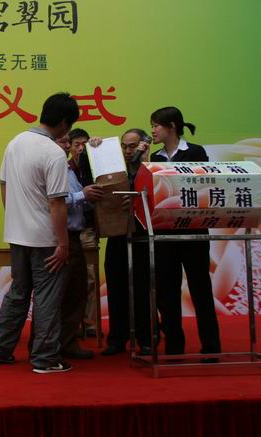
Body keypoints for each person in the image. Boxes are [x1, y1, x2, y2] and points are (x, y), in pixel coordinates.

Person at [0, 93, 80, 374]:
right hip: (45, 238)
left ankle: (0, 349)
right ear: (64, 123)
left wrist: (15, 218)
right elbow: (57, 202)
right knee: (47, 297)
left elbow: (3, 184)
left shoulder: (15, 143)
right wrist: (63, 243)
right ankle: (45, 358)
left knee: (18, 293)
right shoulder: (54, 153)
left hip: (17, 235)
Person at [149, 106, 221, 357]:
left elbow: (199, 185)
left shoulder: (195, 152)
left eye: (156, 125)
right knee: (167, 290)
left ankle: (211, 346)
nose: (153, 131)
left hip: (193, 229)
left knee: (200, 288)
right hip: (164, 232)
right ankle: (174, 345)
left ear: (171, 126)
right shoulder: (155, 157)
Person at [98, 128, 154, 356]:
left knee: (143, 288)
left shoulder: (152, 167)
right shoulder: (114, 168)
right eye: (124, 146)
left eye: (132, 146)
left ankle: (146, 338)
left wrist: (146, 161)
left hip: (142, 234)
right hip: (118, 234)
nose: (128, 151)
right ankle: (117, 338)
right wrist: (95, 145)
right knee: (116, 286)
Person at [56, 130, 104, 359]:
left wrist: (99, 149)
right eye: (69, 143)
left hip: (82, 229)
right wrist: (83, 196)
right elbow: (55, 201)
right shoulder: (58, 167)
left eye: (83, 144)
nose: (74, 148)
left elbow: (82, 200)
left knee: (83, 285)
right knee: (63, 290)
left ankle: (79, 330)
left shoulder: (83, 167)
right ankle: (58, 341)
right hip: (63, 233)